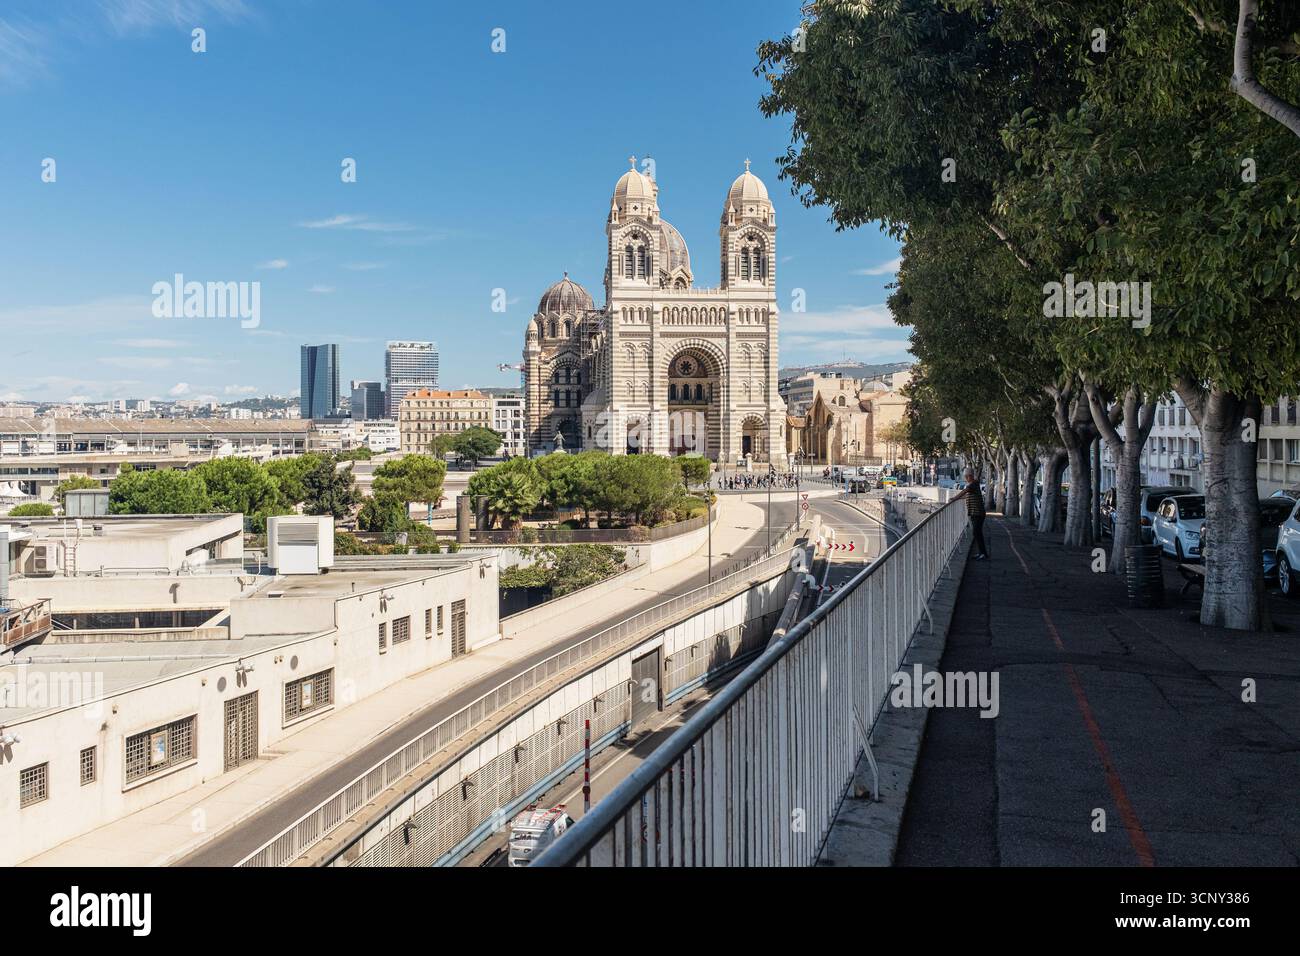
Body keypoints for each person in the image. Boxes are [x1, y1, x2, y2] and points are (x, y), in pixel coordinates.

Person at [952, 466, 989, 560]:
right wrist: (959, 499)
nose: (965, 478)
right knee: (977, 533)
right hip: (974, 513)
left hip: (977, 513)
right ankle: (981, 553)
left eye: (966, 476)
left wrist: (954, 498)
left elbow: (965, 491)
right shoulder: (973, 485)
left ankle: (983, 554)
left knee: (977, 532)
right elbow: (967, 495)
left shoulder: (973, 483)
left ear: (970, 476)